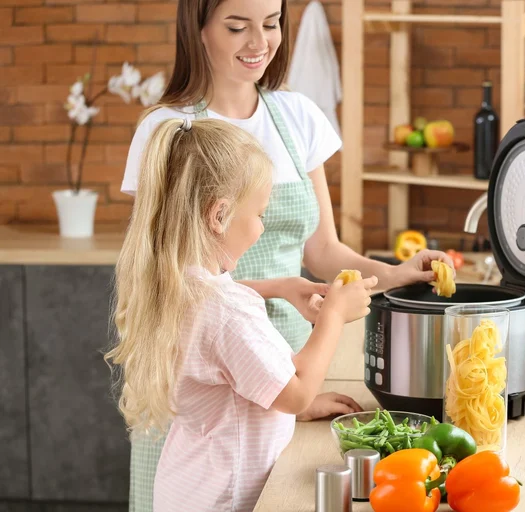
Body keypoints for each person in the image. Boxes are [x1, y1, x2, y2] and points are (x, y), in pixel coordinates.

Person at [120, 0, 454, 509]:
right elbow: (161, 269)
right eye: (237, 26)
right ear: (199, 28)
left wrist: (398, 274)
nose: (259, 43)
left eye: (271, 24)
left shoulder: (296, 116)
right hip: (208, 411)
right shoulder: (169, 133)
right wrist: (290, 391)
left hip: (284, 381)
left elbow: (323, 252)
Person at [107, 117, 377, 511]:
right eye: (260, 214)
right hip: (225, 499)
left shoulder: (171, 284)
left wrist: (281, 286)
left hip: (186, 488)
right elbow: (297, 392)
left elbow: (226, 351)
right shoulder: (229, 314)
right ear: (218, 216)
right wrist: (334, 313)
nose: (261, 227)